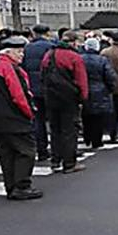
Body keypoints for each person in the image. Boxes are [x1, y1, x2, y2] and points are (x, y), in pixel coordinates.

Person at [0, 36, 43, 200]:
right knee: (26, 152)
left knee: (6, 154)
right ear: (8, 52)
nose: (22, 55)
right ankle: (22, 186)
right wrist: (29, 113)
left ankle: (11, 186)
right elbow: (18, 95)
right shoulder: (8, 68)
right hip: (14, 118)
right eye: (18, 51)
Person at [41, 31, 89, 174]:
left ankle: (55, 160)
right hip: (68, 98)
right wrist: (83, 98)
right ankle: (69, 163)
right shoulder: (74, 57)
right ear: (73, 42)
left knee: (55, 130)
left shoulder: (49, 54)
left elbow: (43, 74)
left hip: (51, 97)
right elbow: (81, 80)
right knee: (69, 130)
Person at [22, 24, 55, 161]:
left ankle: (41, 149)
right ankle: (56, 150)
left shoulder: (27, 48)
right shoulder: (51, 47)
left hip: (32, 87)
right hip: (49, 87)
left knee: (38, 120)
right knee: (54, 120)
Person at [81, 38, 116, 149]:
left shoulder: (80, 59)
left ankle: (87, 137)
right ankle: (97, 140)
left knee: (86, 116)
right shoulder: (102, 60)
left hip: (84, 89)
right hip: (100, 89)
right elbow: (110, 75)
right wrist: (110, 87)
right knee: (98, 117)